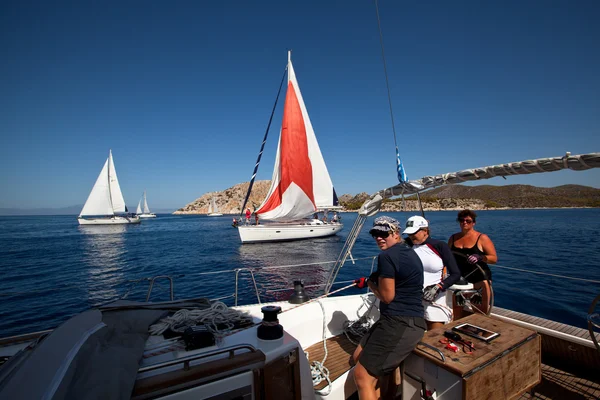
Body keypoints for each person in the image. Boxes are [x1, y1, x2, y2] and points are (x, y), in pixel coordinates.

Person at [353, 216, 426, 399]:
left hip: (401, 322)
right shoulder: (407, 251)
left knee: (362, 375)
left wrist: (370, 283)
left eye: (383, 233)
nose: (379, 237)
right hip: (401, 320)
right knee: (357, 358)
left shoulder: (387, 256)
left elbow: (386, 297)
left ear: (395, 233)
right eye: (375, 234)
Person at [403, 215, 461, 331]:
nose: (411, 236)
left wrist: (437, 288)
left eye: (414, 232)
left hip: (435, 297)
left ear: (425, 231)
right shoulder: (406, 246)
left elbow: (455, 274)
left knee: (435, 335)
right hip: (413, 298)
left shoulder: (439, 246)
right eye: (409, 233)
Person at [448, 210, 497, 315]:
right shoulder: (453, 238)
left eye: (468, 221)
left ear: (473, 223)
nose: (464, 222)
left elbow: (494, 259)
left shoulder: (482, 238)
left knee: (479, 313)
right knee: (456, 312)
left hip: (479, 279)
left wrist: (481, 257)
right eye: (462, 220)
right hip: (460, 280)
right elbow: (447, 258)